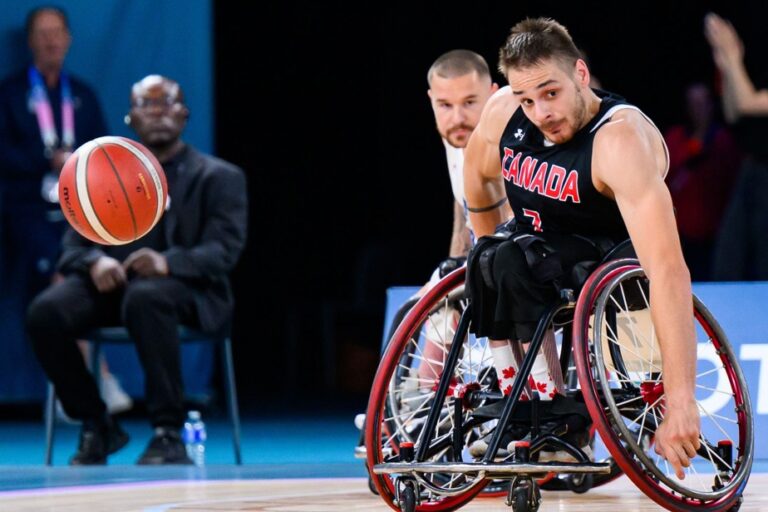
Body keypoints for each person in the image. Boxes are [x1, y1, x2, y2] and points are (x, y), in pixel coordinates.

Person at [463, 18, 699, 479]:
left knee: (513, 257)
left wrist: (683, 399)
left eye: (551, 93)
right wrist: (484, 245)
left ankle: (560, 415)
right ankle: (527, 400)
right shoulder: (504, 113)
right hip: (539, 249)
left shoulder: (619, 140)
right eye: (527, 99)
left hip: (611, 259)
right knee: (491, 257)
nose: (540, 112)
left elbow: (669, 271)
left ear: (581, 75)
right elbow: (477, 173)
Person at [26, 75, 248, 465]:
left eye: (168, 103)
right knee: (46, 312)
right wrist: (97, 260)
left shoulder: (219, 177)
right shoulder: (100, 171)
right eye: (147, 104)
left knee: (146, 297)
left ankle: (168, 433)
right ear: (131, 117)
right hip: (115, 289)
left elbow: (223, 251)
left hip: (187, 290)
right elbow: (72, 249)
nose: (158, 112)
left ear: (184, 114)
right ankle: (98, 424)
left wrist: (167, 262)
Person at [704, 13, 768, 280]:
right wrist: (726, 63)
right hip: (752, 169)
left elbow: (747, 102)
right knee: (727, 257)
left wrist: (732, 55)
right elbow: (732, 113)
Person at [663, 82, 741, 281]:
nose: (698, 109)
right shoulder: (674, 139)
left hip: (715, 236)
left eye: (702, 102)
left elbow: (733, 185)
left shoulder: (723, 141)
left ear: (711, 105)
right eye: (693, 103)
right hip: (678, 235)